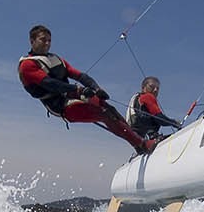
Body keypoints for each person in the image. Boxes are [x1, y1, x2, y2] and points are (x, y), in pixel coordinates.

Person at [18, 25, 155, 155]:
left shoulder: (55, 59)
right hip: (61, 106)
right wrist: (79, 90)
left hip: (72, 94)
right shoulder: (27, 64)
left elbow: (79, 75)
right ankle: (142, 144)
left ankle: (137, 143)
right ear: (32, 41)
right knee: (103, 114)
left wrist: (96, 88)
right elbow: (50, 83)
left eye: (49, 40)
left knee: (110, 109)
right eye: (43, 40)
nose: (47, 43)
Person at [128, 77, 183, 141]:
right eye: (152, 87)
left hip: (139, 137)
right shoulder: (147, 97)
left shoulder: (136, 98)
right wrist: (174, 123)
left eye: (157, 88)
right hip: (150, 136)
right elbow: (160, 118)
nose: (155, 90)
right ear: (143, 88)